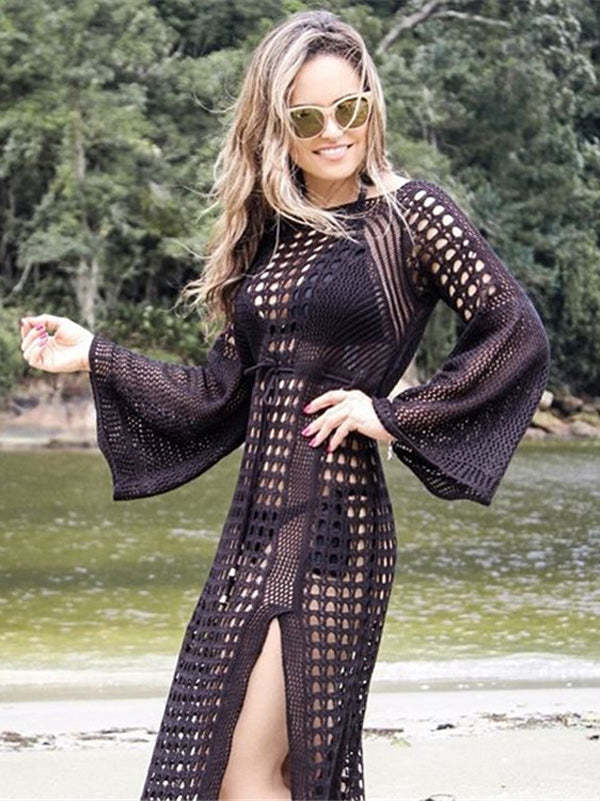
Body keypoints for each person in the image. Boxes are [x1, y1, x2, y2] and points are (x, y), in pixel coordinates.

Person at [18, 9, 550, 801]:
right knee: (230, 768)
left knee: (245, 773)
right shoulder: (271, 238)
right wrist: (94, 352)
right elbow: (220, 395)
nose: (333, 132)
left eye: (349, 108)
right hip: (256, 531)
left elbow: (515, 330)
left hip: (336, 530)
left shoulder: (411, 215)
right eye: (307, 117)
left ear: (371, 103)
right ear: (278, 128)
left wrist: (391, 415)